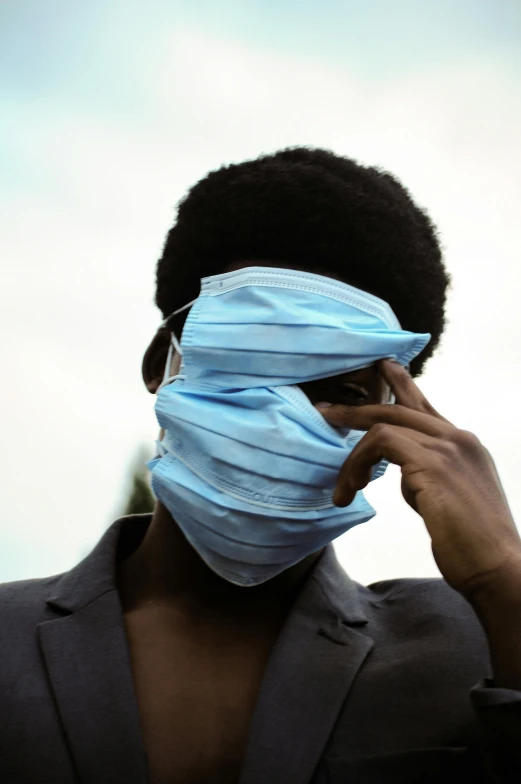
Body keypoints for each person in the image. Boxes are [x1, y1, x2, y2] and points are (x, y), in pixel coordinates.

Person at [1, 147, 520, 784]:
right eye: (253, 364)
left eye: (345, 394)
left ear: (401, 417)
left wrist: (505, 580)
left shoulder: (474, 642)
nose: (286, 415)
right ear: (161, 361)